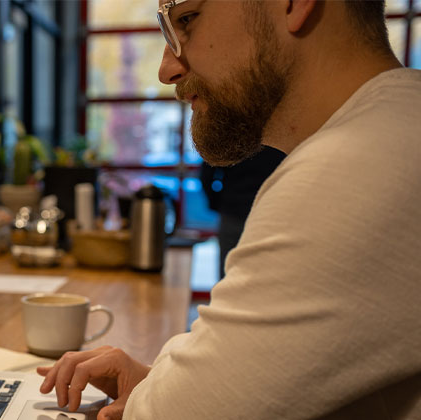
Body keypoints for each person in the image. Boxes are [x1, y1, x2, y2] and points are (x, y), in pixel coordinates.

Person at [37, 1, 421, 419]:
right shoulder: (399, 127)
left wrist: (161, 400)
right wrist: (157, 386)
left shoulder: (353, 168)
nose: (167, 70)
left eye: (187, 19)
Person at [200, 146, 285, 279]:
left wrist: (217, 203)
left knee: (228, 274)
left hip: (233, 210)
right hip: (269, 213)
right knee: (266, 276)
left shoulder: (234, 133)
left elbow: (207, 172)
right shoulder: (281, 135)